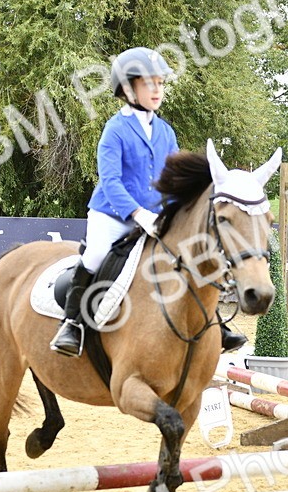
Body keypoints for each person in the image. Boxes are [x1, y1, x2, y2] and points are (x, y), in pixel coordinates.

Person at [50, 47, 248, 357]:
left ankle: (215, 323)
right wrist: (138, 213)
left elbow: (173, 179)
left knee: (192, 251)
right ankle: (72, 324)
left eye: (161, 83)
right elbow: (111, 181)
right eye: (149, 83)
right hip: (113, 214)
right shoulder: (114, 129)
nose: (157, 90)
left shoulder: (166, 132)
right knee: (96, 255)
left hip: (156, 216)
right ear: (128, 89)